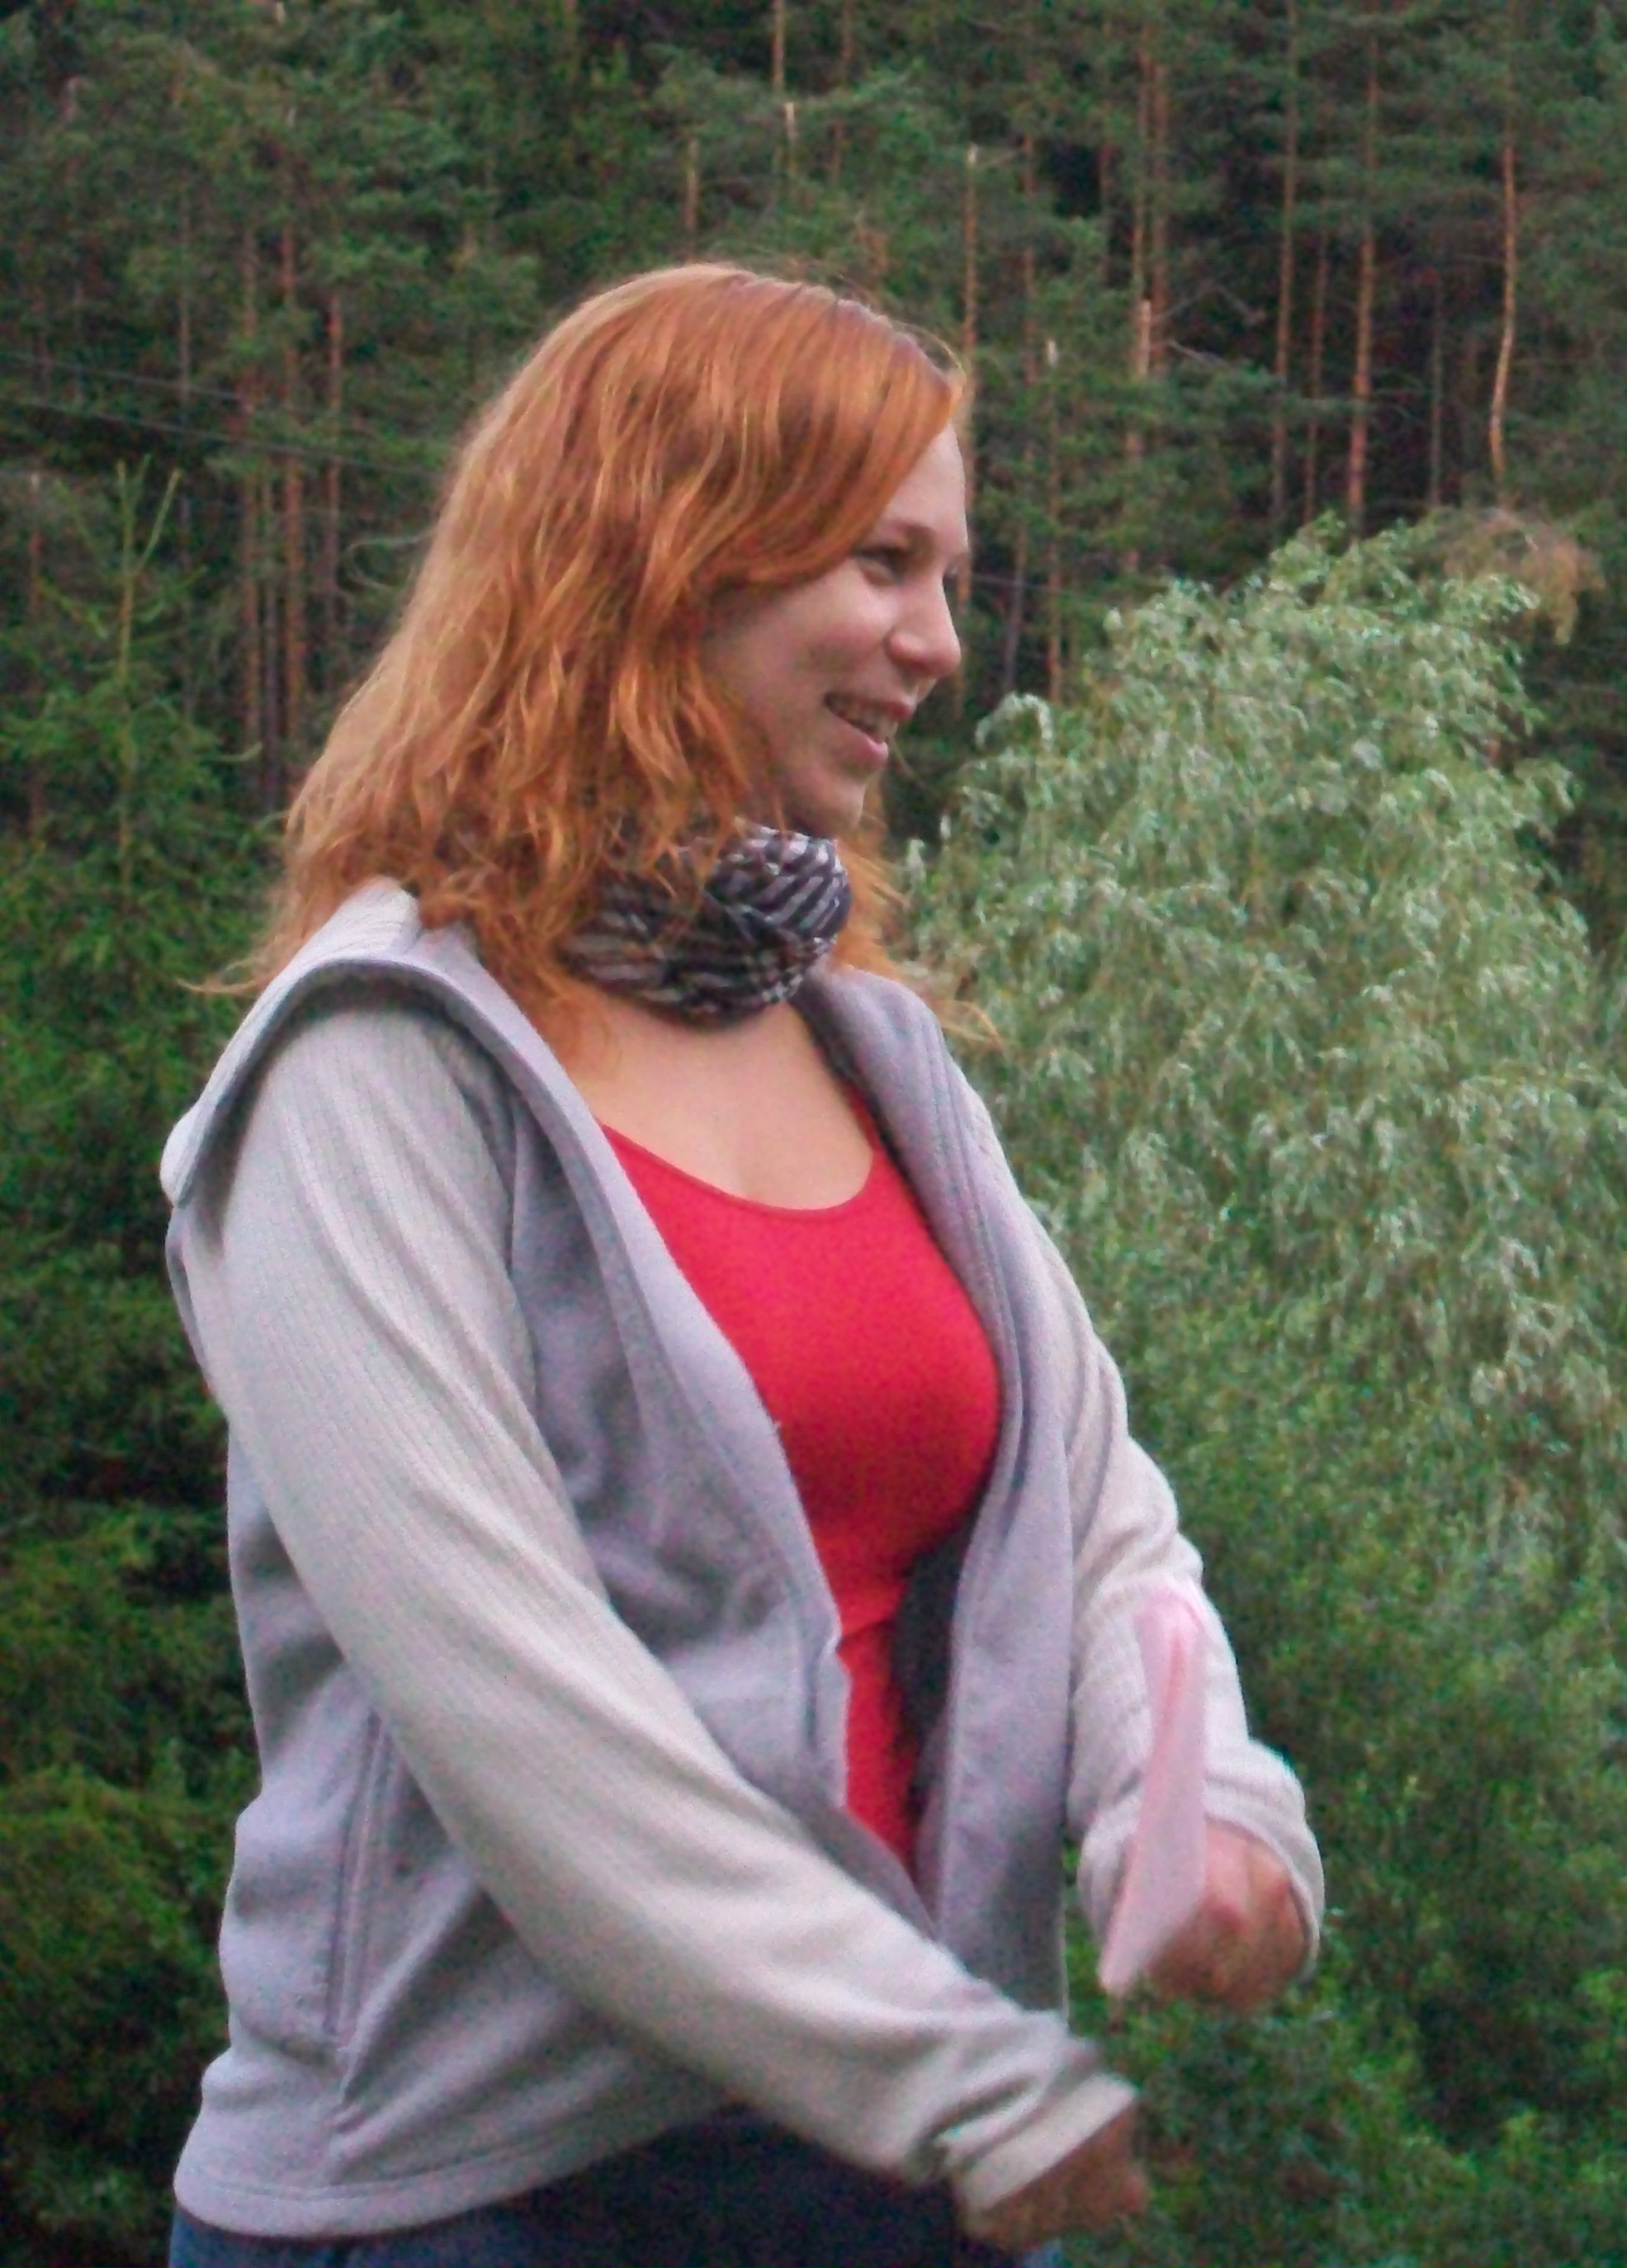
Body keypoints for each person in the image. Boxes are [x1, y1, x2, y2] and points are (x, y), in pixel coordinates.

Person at [158, 264, 1321, 2267]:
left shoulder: (866, 1050)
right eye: (882, 564)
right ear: (666, 551)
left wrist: (1203, 1800)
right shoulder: (371, 1069)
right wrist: (941, 2070)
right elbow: (523, 1718)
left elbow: (1092, 1518)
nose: (936, 642)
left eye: (948, 577)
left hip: (897, 2172)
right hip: (474, 2208)